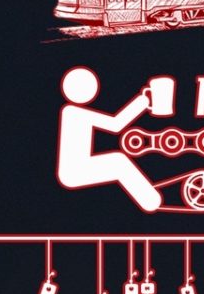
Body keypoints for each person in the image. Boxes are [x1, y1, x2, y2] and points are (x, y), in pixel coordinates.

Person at [57, 67, 167, 212]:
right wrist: (142, 101)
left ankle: (152, 200)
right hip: (75, 171)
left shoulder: (71, 111)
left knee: (118, 160)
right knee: (119, 161)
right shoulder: (74, 112)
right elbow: (116, 125)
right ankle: (151, 201)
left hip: (77, 167)